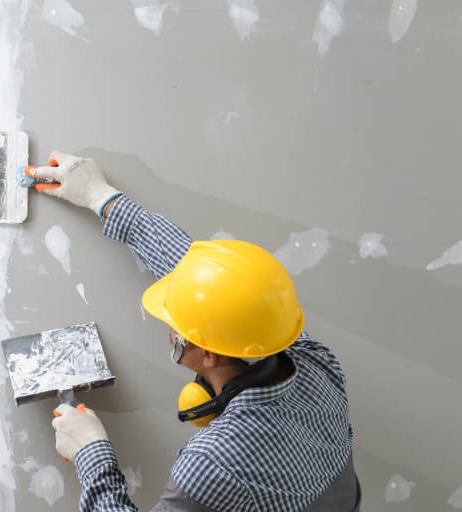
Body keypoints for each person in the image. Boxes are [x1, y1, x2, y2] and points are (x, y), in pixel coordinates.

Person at [30, 151, 361, 511]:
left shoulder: (213, 462)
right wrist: (100, 196)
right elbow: (205, 277)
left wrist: (90, 453)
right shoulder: (315, 362)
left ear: (207, 353)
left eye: (175, 321)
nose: (168, 322)